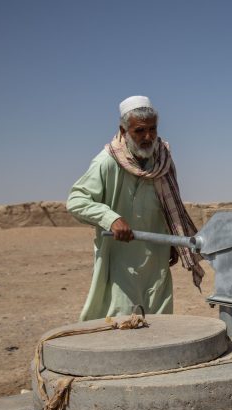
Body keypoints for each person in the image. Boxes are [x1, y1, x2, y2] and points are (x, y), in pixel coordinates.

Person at [67, 96, 204, 321]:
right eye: (140, 131)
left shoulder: (163, 160)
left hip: (157, 259)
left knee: (160, 323)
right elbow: (76, 201)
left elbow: (169, 204)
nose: (148, 137)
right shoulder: (107, 162)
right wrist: (110, 218)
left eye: (152, 129)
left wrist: (172, 241)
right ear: (124, 130)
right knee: (123, 322)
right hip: (121, 260)